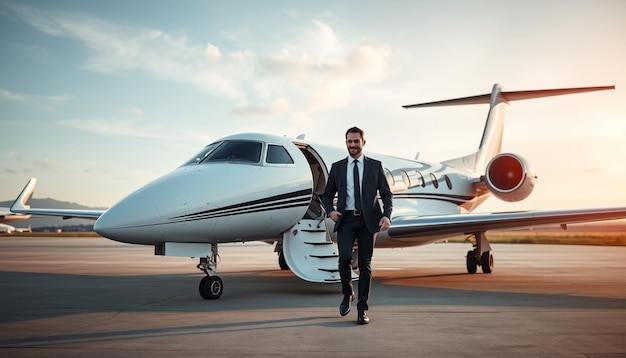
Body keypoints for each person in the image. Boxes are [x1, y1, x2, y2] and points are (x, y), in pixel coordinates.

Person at [321, 126, 393, 325]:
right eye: (349, 142)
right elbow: (326, 195)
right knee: (344, 260)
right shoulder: (337, 167)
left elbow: (386, 194)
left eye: (356, 141)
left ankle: (362, 309)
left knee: (365, 266)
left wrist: (386, 216)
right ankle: (347, 293)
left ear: (363, 142)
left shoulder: (374, 166)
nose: (352, 145)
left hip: (367, 222)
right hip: (346, 221)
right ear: (346, 143)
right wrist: (330, 211)